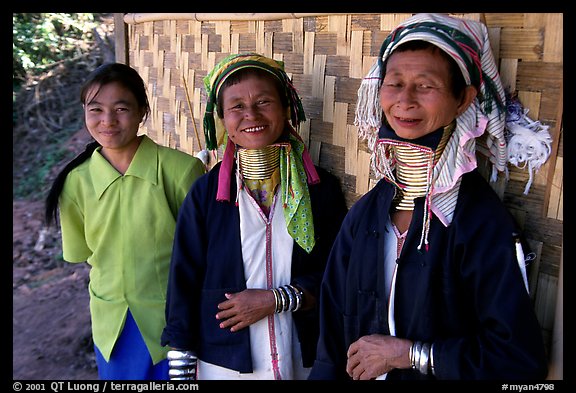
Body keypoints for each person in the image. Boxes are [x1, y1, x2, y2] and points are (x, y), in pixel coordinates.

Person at [308, 13, 549, 380]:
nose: (405, 100)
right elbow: (332, 342)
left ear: (464, 99)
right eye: (395, 83)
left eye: (426, 85)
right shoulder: (365, 215)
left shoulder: (478, 222)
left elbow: (519, 360)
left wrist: (411, 354)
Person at [161, 53, 348, 380]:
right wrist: (180, 370)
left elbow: (340, 273)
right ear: (221, 119)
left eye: (264, 102)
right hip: (225, 366)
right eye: (236, 107)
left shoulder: (321, 190)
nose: (251, 115)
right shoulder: (206, 195)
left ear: (287, 109)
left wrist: (277, 299)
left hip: (304, 362)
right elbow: (183, 282)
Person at [44, 62, 206, 380]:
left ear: (143, 110)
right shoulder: (75, 183)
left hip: (177, 321)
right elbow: (80, 253)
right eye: (96, 110)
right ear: (84, 113)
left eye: (121, 108)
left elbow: (205, 252)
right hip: (113, 327)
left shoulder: (181, 171)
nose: (108, 121)